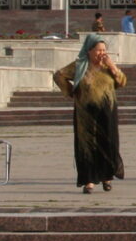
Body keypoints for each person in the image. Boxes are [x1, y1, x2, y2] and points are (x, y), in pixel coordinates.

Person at [51, 35, 126, 193]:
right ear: (89, 50)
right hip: (86, 114)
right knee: (87, 145)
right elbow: (59, 75)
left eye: (104, 50)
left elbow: (122, 82)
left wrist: (112, 66)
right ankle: (89, 181)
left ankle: (107, 178)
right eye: (98, 50)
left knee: (108, 143)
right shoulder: (80, 65)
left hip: (107, 112)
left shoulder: (108, 67)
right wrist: (71, 92)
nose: (102, 53)